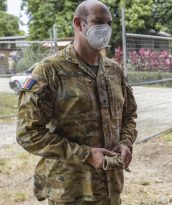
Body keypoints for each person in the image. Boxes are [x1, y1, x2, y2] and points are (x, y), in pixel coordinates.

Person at [16, 1, 137, 204]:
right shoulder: (49, 71)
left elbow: (129, 115)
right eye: (98, 21)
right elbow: (28, 133)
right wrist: (85, 154)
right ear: (79, 24)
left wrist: (125, 142)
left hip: (110, 189)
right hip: (70, 191)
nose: (105, 29)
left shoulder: (114, 71)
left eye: (109, 23)